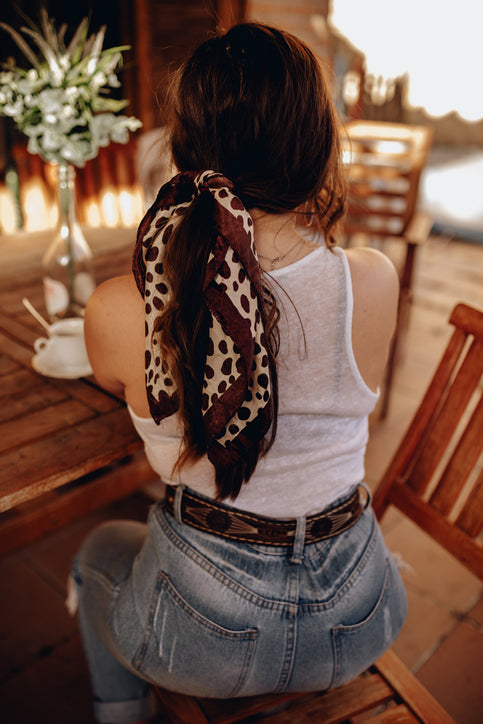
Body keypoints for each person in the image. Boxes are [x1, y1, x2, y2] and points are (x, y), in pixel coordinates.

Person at [69, 22, 407, 724]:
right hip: (359, 614)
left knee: (101, 546)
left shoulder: (120, 307)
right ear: (319, 147)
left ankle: (119, 716)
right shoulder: (372, 281)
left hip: (204, 636)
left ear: (184, 149)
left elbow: (113, 378)